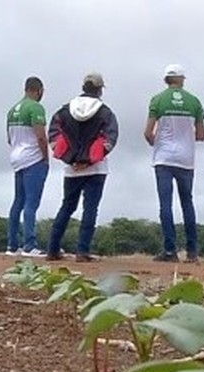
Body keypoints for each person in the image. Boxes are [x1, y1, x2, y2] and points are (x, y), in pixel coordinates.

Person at [45, 72, 119, 263]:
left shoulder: (65, 110)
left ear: (83, 87)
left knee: (67, 206)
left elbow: (53, 135)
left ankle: (52, 250)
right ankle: (82, 252)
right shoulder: (105, 112)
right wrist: (89, 160)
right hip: (96, 169)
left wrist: (70, 159)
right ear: (100, 89)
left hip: (71, 170)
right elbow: (110, 138)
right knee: (90, 209)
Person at [144, 63, 204, 263]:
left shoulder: (157, 100)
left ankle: (170, 251)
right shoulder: (194, 101)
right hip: (186, 160)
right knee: (187, 203)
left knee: (165, 204)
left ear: (166, 80)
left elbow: (147, 132)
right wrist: (188, 138)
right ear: (182, 80)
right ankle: (192, 251)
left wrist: (157, 143)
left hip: (163, 158)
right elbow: (202, 135)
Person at [5, 76, 50, 256]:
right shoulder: (35, 108)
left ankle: (12, 245)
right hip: (33, 159)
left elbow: (9, 138)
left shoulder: (11, 110)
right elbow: (40, 136)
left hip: (17, 157)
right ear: (38, 90)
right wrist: (45, 157)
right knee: (32, 202)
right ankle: (30, 245)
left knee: (18, 201)